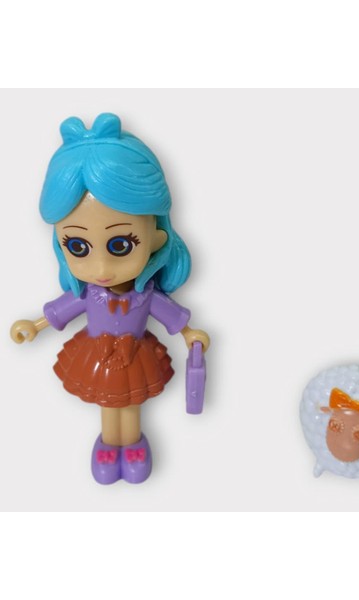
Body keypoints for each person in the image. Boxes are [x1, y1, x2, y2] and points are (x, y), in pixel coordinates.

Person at [10, 113, 209, 485]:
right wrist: (34, 325)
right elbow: (63, 309)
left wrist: (190, 333)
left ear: (156, 239)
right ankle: (108, 443)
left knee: (129, 405)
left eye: (120, 245)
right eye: (78, 246)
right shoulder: (88, 292)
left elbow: (172, 316)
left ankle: (131, 444)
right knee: (108, 405)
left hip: (135, 354)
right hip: (97, 355)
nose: (101, 268)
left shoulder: (145, 294)